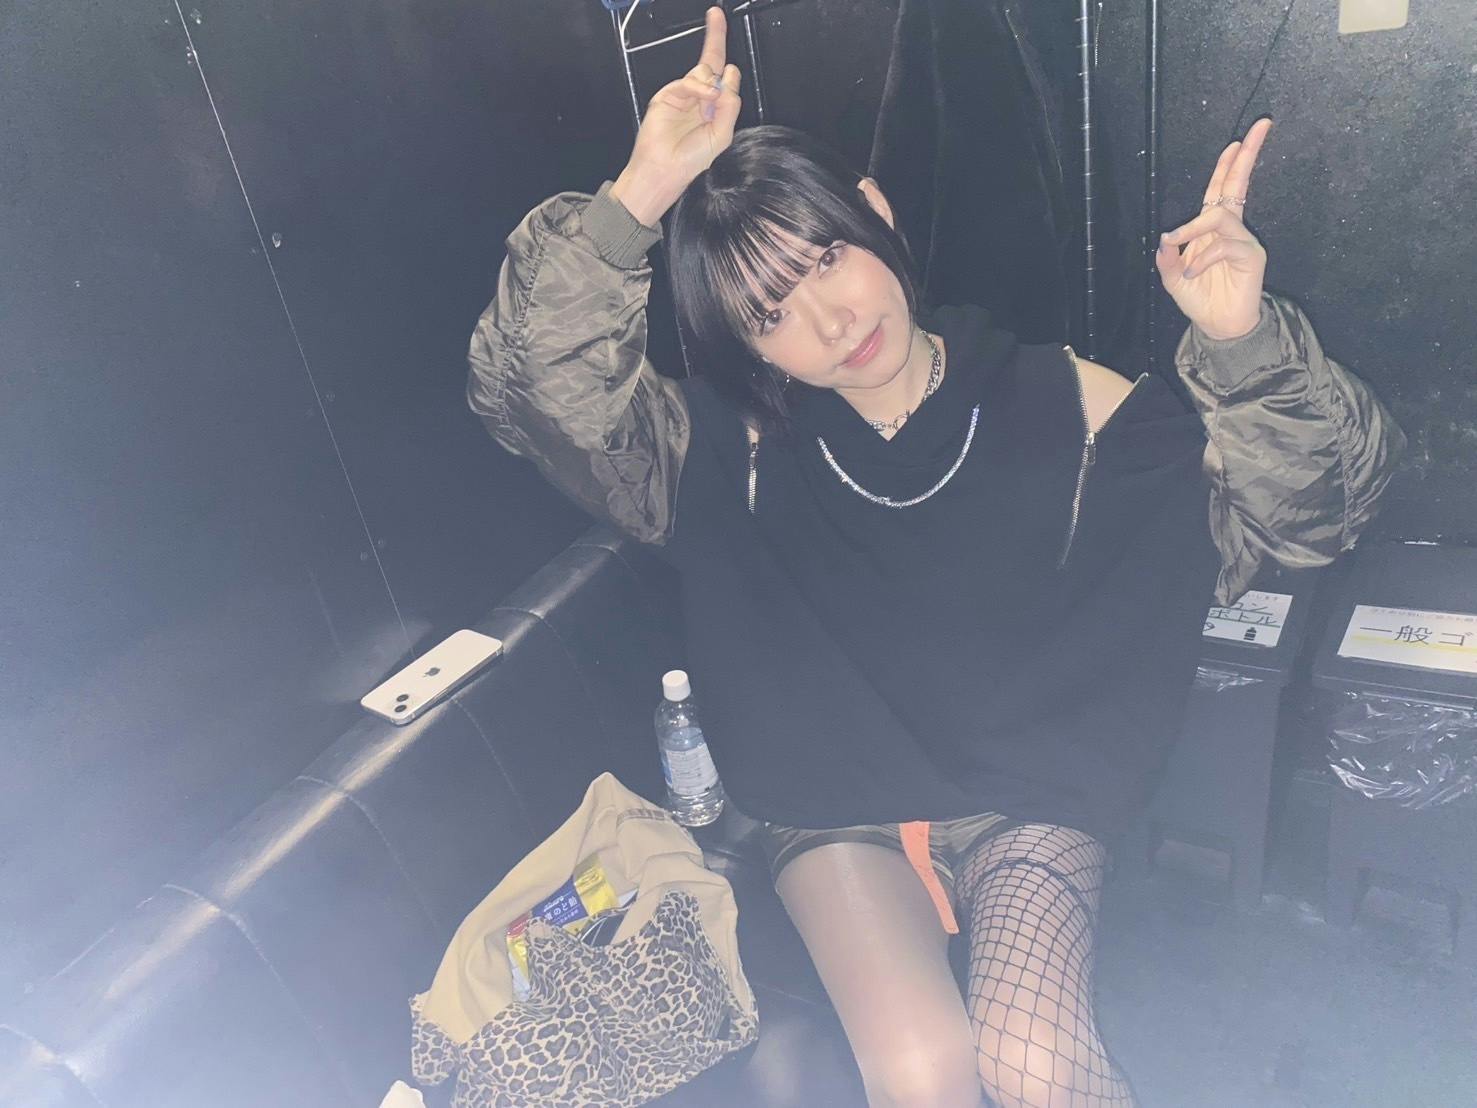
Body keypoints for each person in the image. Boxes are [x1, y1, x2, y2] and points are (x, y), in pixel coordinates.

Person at [466, 8, 1404, 1106]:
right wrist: (636, 199)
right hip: (831, 803)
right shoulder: (728, 450)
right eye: (770, 312)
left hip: (1022, 796)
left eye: (826, 258)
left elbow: (1307, 520)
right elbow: (539, 396)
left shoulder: (1069, 406)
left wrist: (1242, 343)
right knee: (919, 1073)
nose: (828, 320)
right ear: (747, 345)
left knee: (1031, 1059)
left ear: (875, 212)